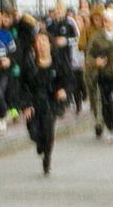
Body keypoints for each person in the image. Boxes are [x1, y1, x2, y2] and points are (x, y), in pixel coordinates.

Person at [13, 11, 71, 175]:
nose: (41, 45)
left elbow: (67, 79)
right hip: (33, 100)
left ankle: (47, 157)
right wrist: (25, 105)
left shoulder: (58, 61)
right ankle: (39, 143)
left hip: (51, 100)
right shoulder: (29, 63)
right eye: (38, 42)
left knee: (48, 129)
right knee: (34, 132)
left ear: (50, 44)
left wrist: (63, 90)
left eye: (44, 41)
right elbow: (23, 85)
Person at [83, 7, 113, 143]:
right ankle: (110, 127)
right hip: (103, 74)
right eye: (105, 21)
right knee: (105, 102)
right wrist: (95, 61)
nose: (106, 24)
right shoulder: (97, 38)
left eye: (109, 21)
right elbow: (88, 56)